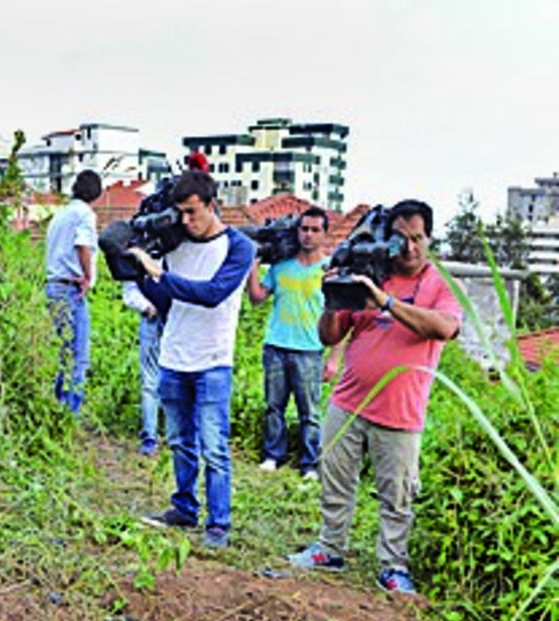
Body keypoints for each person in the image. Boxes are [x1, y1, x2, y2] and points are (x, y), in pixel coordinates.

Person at [287, 200, 462, 596]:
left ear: (429, 238)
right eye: (401, 238)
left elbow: (444, 327)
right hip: (349, 401)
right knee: (335, 480)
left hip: (401, 411)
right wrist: (333, 297)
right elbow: (329, 336)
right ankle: (329, 549)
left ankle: (393, 566)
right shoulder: (372, 270)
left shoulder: (438, 284)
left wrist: (383, 302)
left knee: (396, 494)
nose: (410, 248)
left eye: (418, 238)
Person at [131, 170, 254, 549]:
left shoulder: (239, 247)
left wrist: (159, 274)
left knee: (214, 445)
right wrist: (140, 269)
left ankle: (219, 521)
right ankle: (184, 507)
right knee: (181, 440)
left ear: (211, 205)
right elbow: (163, 297)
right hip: (174, 355)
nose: (186, 221)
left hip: (213, 360)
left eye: (192, 212)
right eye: (180, 213)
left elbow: (213, 293)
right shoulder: (174, 244)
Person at [246, 206, 330, 480]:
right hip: (276, 345)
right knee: (274, 406)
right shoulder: (281, 267)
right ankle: (273, 455)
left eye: (315, 230)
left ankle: (310, 463)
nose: (308, 235)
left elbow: (342, 315)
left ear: (324, 234)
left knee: (310, 413)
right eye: (304, 229)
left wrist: (334, 358)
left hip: (310, 349)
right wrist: (253, 268)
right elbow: (258, 298)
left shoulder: (329, 271)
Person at [44, 170, 103, 416]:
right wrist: (88, 276)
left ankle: (58, 407)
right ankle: (71, 413)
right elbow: (82, 245)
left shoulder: (61, 214)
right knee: (79, 354)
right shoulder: (84, 214)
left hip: (52, 285)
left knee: (61, 352)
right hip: (71, 288)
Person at [122, 281, 164, 456]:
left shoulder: (140, 255)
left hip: (167, 318)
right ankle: (150, 435)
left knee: (153, 379)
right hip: (155, 318)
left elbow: (130, 290)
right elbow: (130, 290)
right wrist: (147, 307)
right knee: (151, 379)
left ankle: (153, 436)